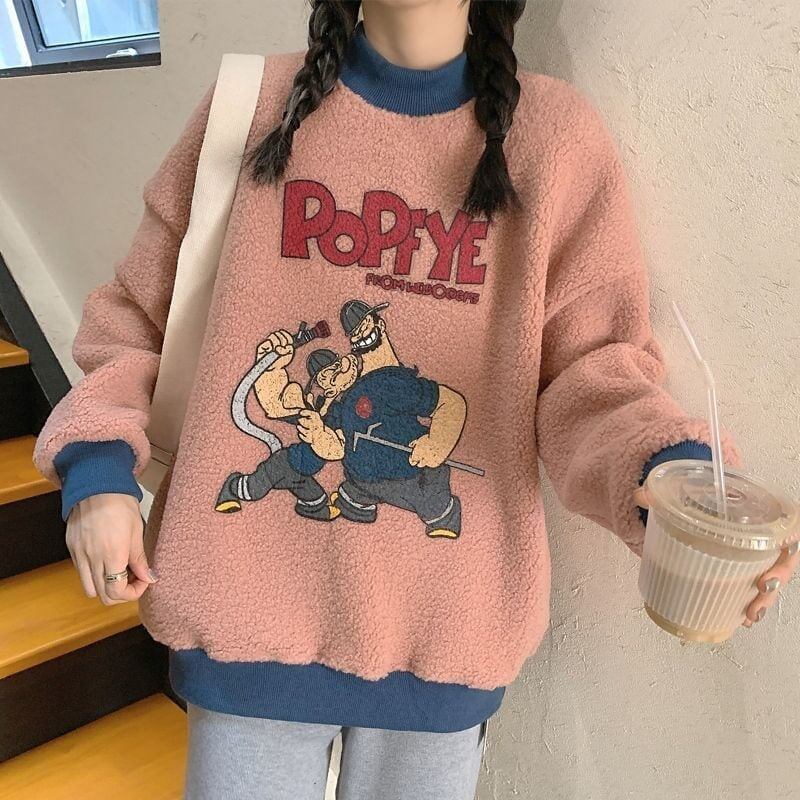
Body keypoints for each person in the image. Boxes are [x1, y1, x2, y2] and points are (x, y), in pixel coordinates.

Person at [32, 2, 798, 798]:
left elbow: (592, 369)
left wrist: (674, 478)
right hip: (244, 616)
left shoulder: (555, 141)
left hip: (446, 630)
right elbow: (135, 318)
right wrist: (98, 467)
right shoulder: (253, 109)